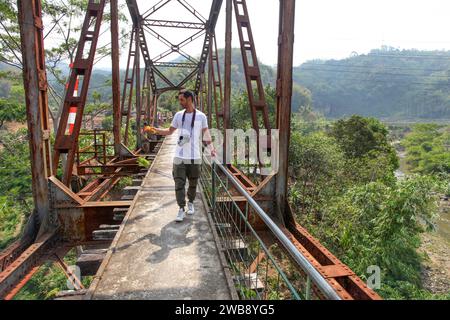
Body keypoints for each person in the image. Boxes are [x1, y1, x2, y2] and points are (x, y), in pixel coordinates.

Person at [148, 89, 216, 222]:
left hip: (195, 156)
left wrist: (211, 148)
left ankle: (190, 202)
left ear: (190, 99)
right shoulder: (179, 115)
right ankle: (181, 208)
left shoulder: (201, 116)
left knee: (193, 183)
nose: (180, 102)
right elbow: (169, 131)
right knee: (179, 183)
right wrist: (155, 130)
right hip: (179, 156)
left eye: (182, 100)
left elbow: (206, 134)